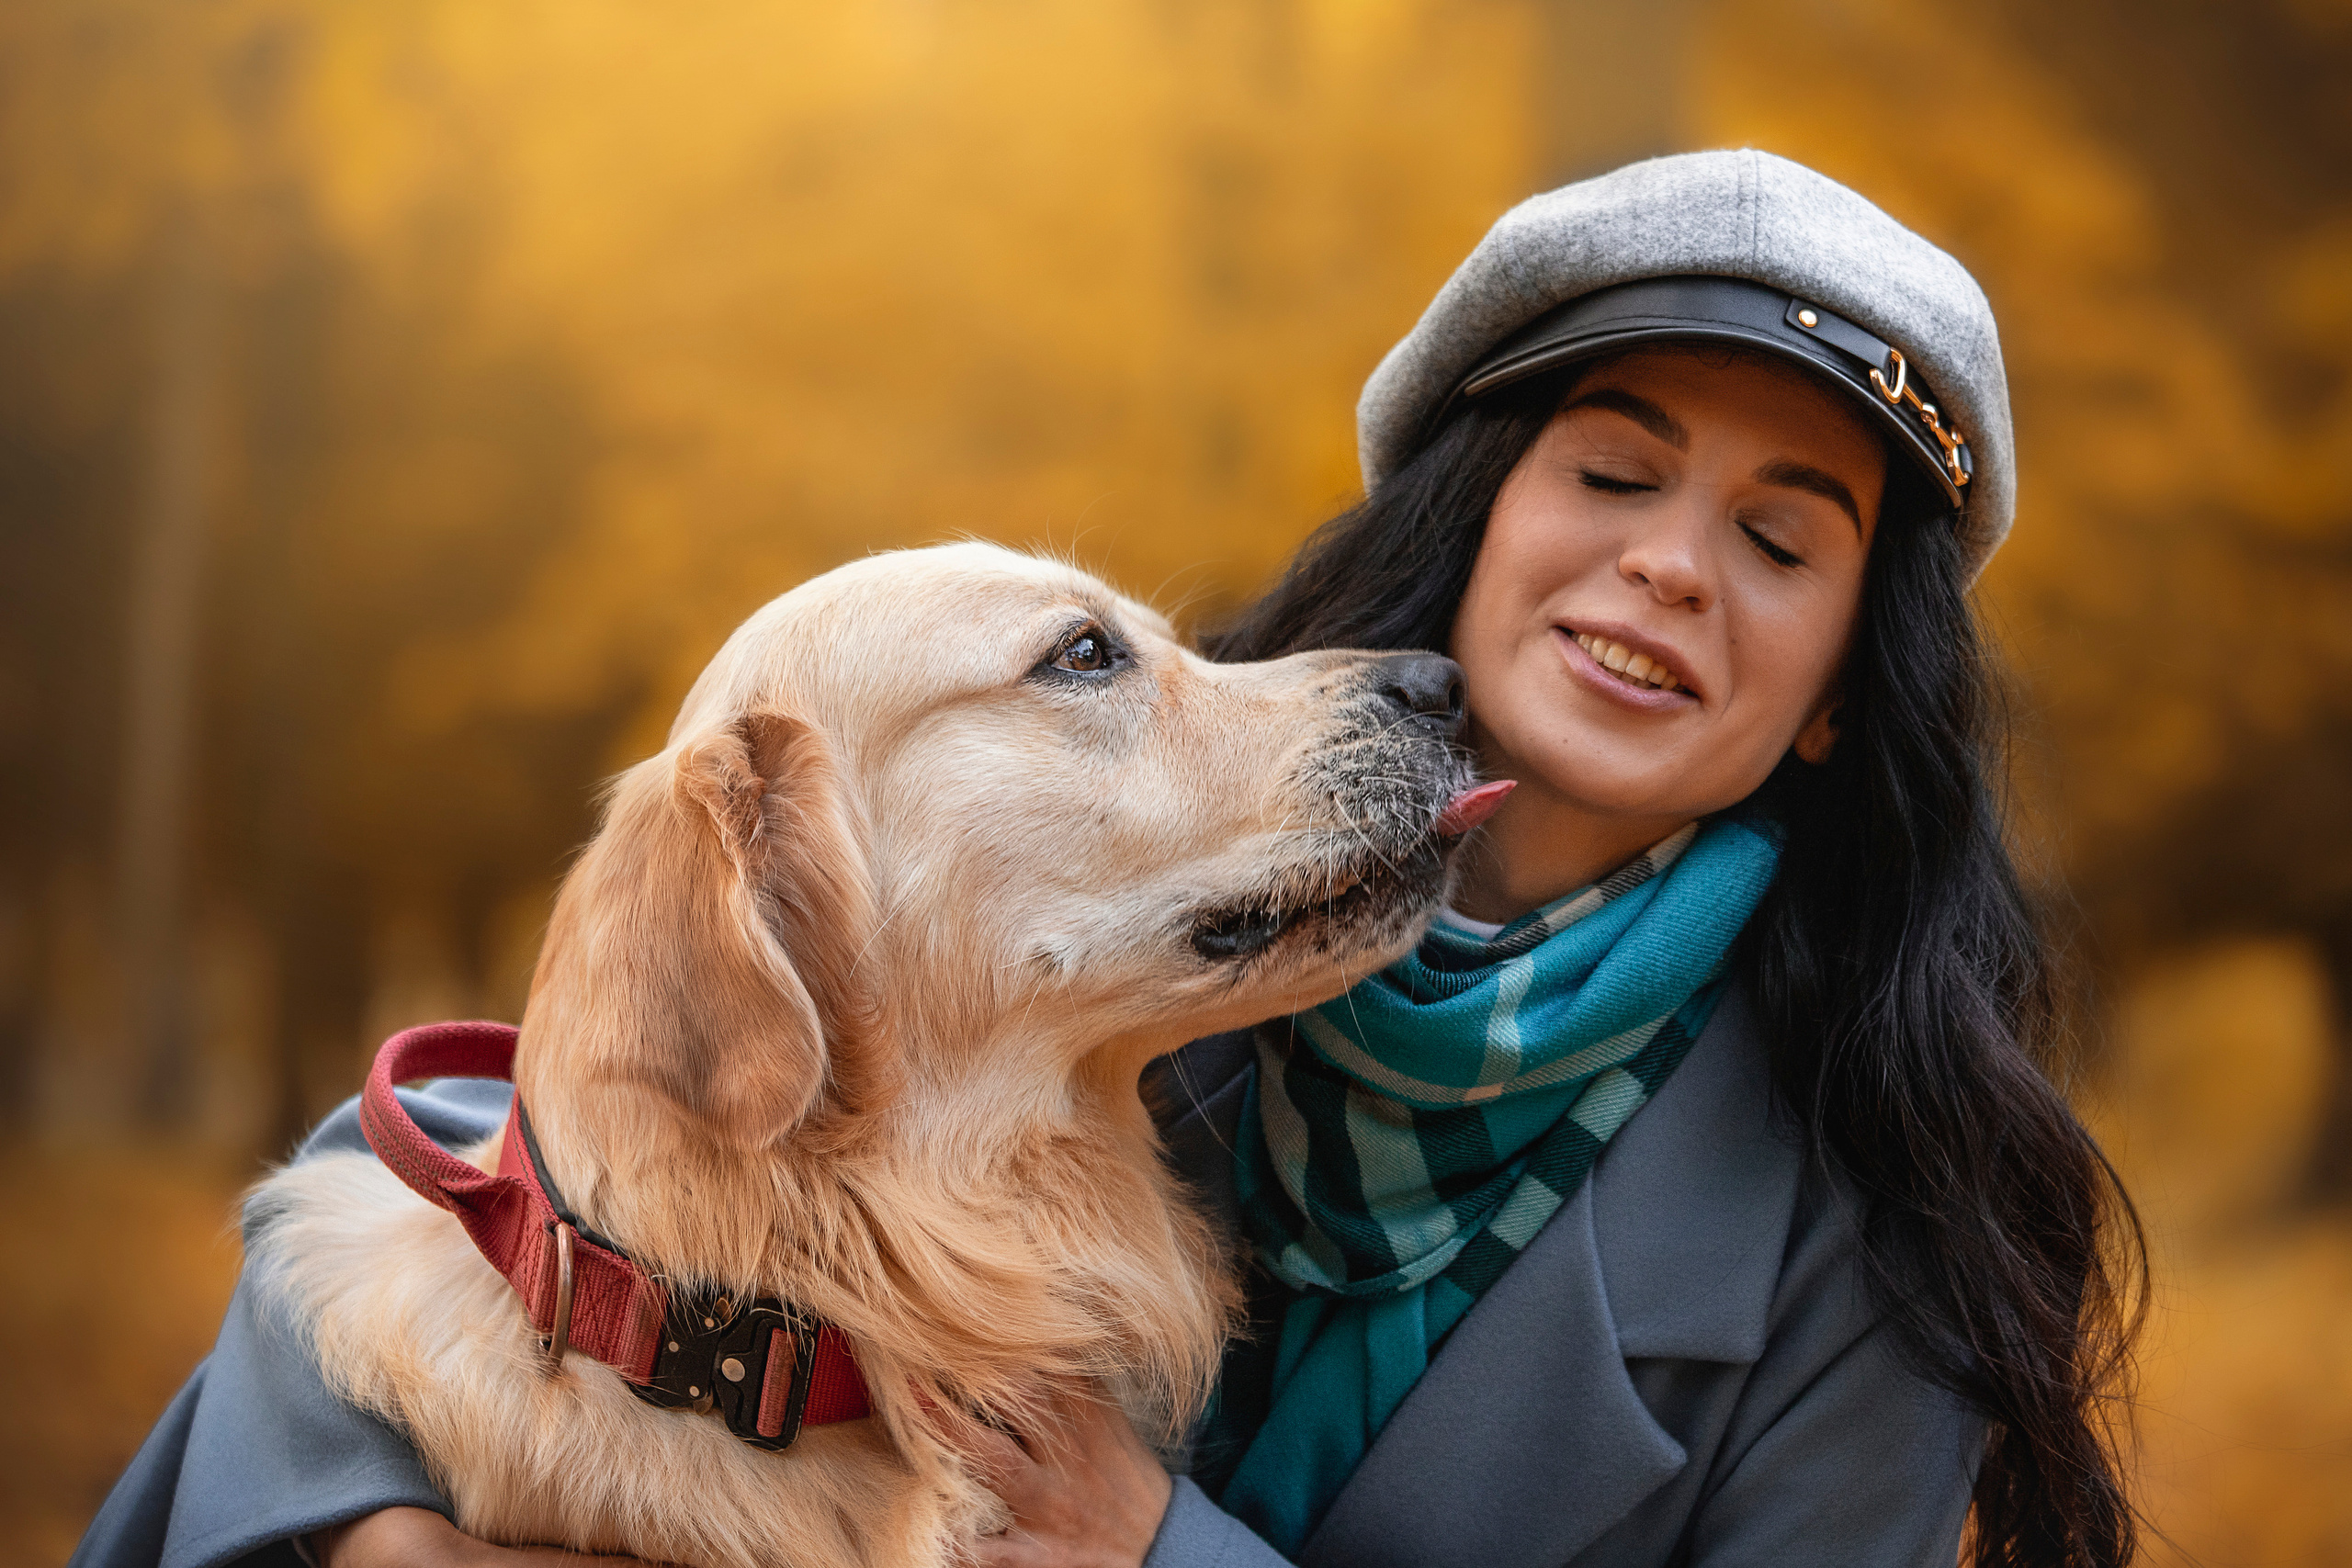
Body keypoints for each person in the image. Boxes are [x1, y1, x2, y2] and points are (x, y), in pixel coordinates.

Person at [74, 149, 2142, 1568]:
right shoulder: (1179, 847)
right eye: (1605, 469)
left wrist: (1153, 1549)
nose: (1670, 565)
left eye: (1781, 541)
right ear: (1483, 513)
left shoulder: (1874, 1228)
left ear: (1837, 694)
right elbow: (542, 1144)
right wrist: (366, 1507)